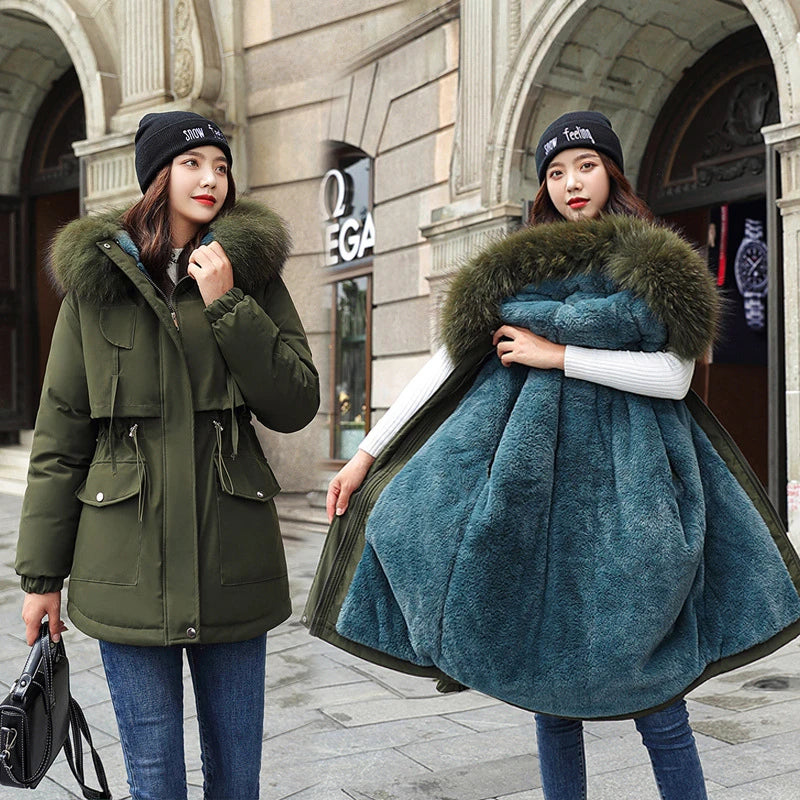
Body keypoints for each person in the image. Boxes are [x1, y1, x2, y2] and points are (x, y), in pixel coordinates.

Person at [308, 111, 800, 800]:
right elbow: (443, 365)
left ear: (612, 173)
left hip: (638, 494)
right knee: (551, 696)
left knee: (659, 692)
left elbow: (674, 379)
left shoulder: (657, 264)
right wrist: (365, 456)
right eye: (556, 171)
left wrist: (558, 355)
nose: (572, 182)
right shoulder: (514, 269)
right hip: (533, 495)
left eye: (586, 165)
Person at [15, 111, 320, 800]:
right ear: (157, 176)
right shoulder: (97, 287)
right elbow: (61, 439)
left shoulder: (253, 275)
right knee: (153, 780)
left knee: (237, 778)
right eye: (192, 163)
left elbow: (295, 402)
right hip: (125, 564)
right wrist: (40, 578)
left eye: (220, 164)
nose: (211, 178)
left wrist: (228, 304)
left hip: (232, 560)